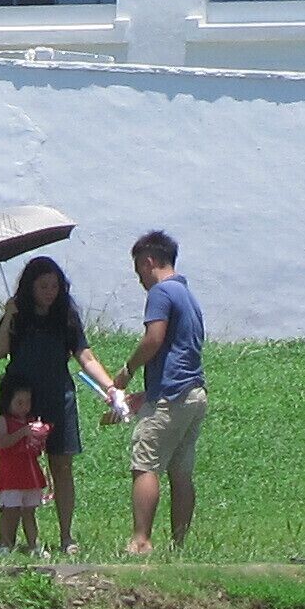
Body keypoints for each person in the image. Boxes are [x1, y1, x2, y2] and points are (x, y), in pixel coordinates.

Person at [0, 254, 131, 553]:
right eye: (43, 286)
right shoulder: (18, 314)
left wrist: (110, 387)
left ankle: (66, 535)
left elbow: (85, 354)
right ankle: (13, 537)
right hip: (23, 400)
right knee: (17, 463)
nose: (49, 292)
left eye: (54, 286)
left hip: (58, 394)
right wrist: (8, 317)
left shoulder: (65, 313)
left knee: (62, 463)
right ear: (30, 287)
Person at [119, 230, 207, 556]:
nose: (140, 279)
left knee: (146, 465)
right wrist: (147, 393)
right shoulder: (188, 295)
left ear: (149, 261)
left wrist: (127, 371)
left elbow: (153, 340)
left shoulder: (160, 293)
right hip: (193, 393)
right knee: (181, 472)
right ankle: (179, 545)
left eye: (139, 270)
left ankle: (141, 540)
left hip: (171, 398)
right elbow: (179, 352)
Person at [0, 370, 55, 554]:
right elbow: (2, 442)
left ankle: (34, 544)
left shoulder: (31, 421)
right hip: (10, 474)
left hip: (29, 474)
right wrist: (23, 432)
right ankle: (4, 543)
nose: (24, 407)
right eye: (19, 402)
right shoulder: (3, 421)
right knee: (10, 510)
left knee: (29, 511)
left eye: (27, 402)